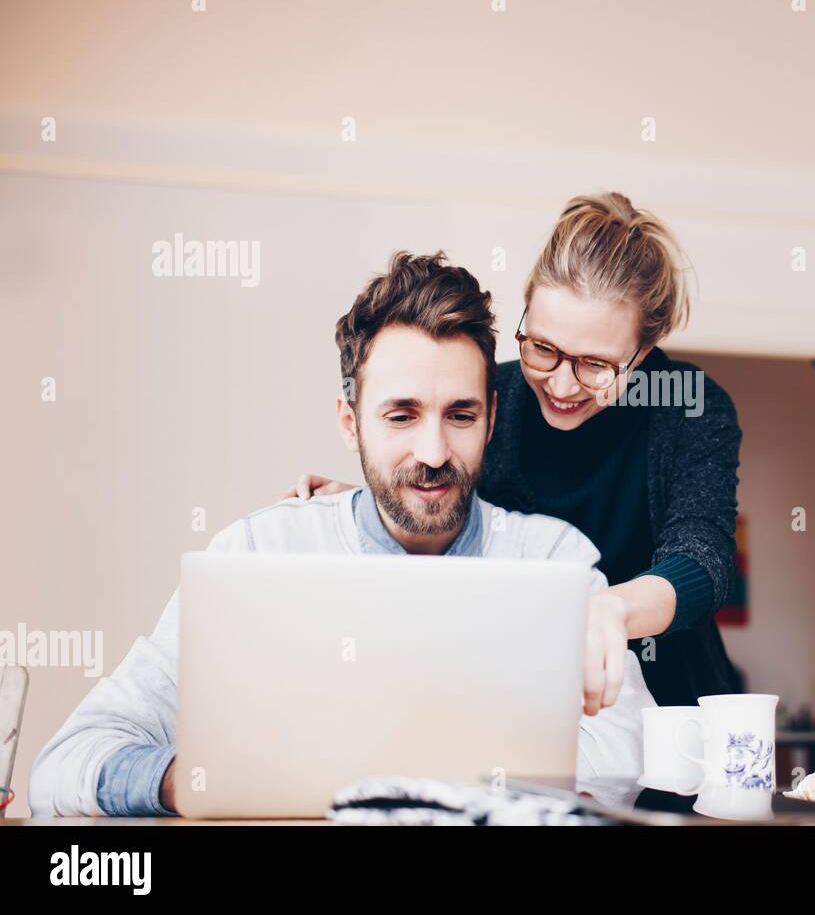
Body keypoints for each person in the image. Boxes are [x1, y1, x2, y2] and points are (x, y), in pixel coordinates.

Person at [28, 251, 653, 817]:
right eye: (401, 415)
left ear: (490, 421)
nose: (433, 453)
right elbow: (64, 764)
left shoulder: (556, 564)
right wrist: (189, 779)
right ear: (350, 423)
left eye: (460, 415)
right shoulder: (256, 556)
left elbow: (624, 762)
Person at [289, 193, 743, 710]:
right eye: (543, 348)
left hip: (672, 704)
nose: (563, 385)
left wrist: (610, 609)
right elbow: (455, 498)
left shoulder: (687, 404)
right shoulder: (493, 395)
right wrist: (386, 495)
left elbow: (703, 557)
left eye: (596, 365)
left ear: (643, 353)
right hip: (534, 694)